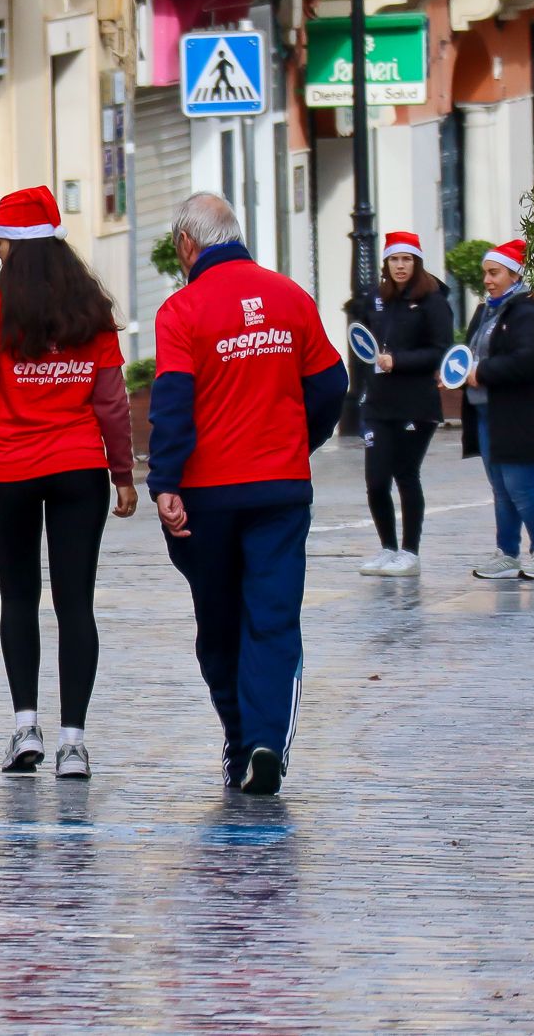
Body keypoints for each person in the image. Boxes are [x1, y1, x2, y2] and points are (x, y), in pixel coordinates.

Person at [148, 193, 344, 797]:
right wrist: (297, 442)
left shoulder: (181, 310)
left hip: (208, 496)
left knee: (219, 620)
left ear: (187, 244)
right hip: (279, 490)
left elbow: (173, 403)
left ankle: (238, 738)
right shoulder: (291, 298)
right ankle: (263, 740)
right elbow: (331, 384)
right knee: (274, 617)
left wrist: (166, 481)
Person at [0, 186, 136, 781]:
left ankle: (24, 727)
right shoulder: (91, 311)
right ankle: (74, 743)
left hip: (10, 470)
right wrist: (123, 471)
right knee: (76, 602)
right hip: (81, 468)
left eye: (0, 241)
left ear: (16, 246)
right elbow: (112, 401)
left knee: (18, 598)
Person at [353, 232, 454, 577]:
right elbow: (363, 343)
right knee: (376, 479)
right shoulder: (375, 300)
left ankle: (410, 551)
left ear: (417, 262)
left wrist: (399, 361)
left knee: (405, 474)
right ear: (386, 263)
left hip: (416, 404)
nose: (400, 266)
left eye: (407, 259)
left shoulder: (433, 300)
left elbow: (441, 349)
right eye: (395, 259)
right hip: (379, 404)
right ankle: (387, 547)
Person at [458, 239, 534, 581]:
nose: (487, 279)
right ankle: (507, 552)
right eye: (485, 272)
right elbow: (471, 353)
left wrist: (481, 372)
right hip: (487, 412)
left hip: (519, 415)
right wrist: (455, 373)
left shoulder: (526, 312)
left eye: (494, 272)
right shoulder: (485, 311)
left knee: (521, 487)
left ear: (515, 274)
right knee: (500, 488)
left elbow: (526, 361)